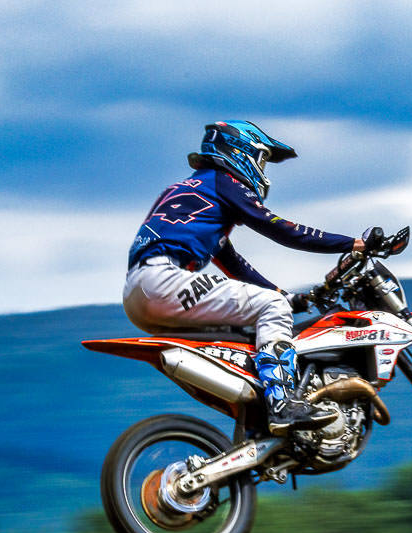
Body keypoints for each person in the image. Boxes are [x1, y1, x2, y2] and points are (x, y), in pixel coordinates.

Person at [123, 120, 367, 434]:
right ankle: (283, 404)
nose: (263, 170)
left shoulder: (187, 190)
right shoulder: (225, 183)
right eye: (262, 160)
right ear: (240, 152)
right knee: (272, 308)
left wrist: (286, 296)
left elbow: (235, 265)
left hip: (139, 290)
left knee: (251, 326)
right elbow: (283, 230)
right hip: (164, 281)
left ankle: (255, 424)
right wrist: (353, 244)